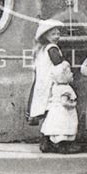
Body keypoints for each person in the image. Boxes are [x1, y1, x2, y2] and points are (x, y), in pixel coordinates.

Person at [26, 18, 66, 151]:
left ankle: (45, 141)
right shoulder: (52, 48)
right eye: (53, 34)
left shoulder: (39, 49)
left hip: (40, 85)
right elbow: (58, 66)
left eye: (58, 33)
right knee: (52, 113)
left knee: (45, 113)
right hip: (50, 85)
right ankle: (51, 141)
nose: (57, 36)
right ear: (46, 36)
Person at [40, 61, 80, 153]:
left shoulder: (55, 86)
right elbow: (64, 102)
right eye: (70, 72)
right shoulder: (66, 88)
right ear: (63, 76)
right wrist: (73, 104)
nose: (72, 74)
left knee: (54, 127)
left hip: (54, 110)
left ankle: (48, 143)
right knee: (64, 127)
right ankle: (63, 146)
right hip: (64, 112)